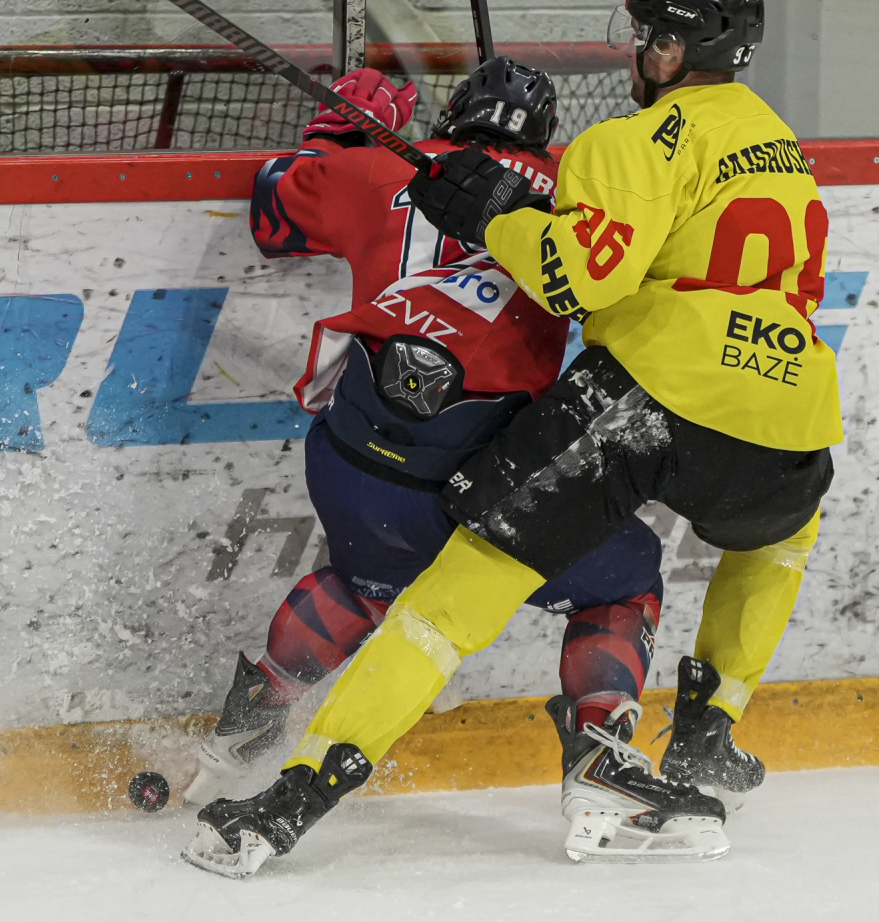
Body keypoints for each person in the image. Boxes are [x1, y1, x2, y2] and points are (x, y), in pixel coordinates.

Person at [184, 0, 840, 876]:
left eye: (646, 37)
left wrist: (495, 215)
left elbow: (580, 276)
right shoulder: (782, 146)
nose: (637, 52)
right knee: (779, 542)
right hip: (793, 415)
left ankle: (292, 797)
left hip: (646, 401)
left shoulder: (624, 144)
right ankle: (707, 732)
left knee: (447, 606)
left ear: (667, 49)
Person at [180, 59, 672, 819]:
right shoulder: (571, 201)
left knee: (363, 577)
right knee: (628, 571)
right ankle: (600, 760)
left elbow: (273, 208)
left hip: (351, 469)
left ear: (450, 116)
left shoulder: (379, 167)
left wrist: (340, 134)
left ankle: (244, 727)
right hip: (476, 491)